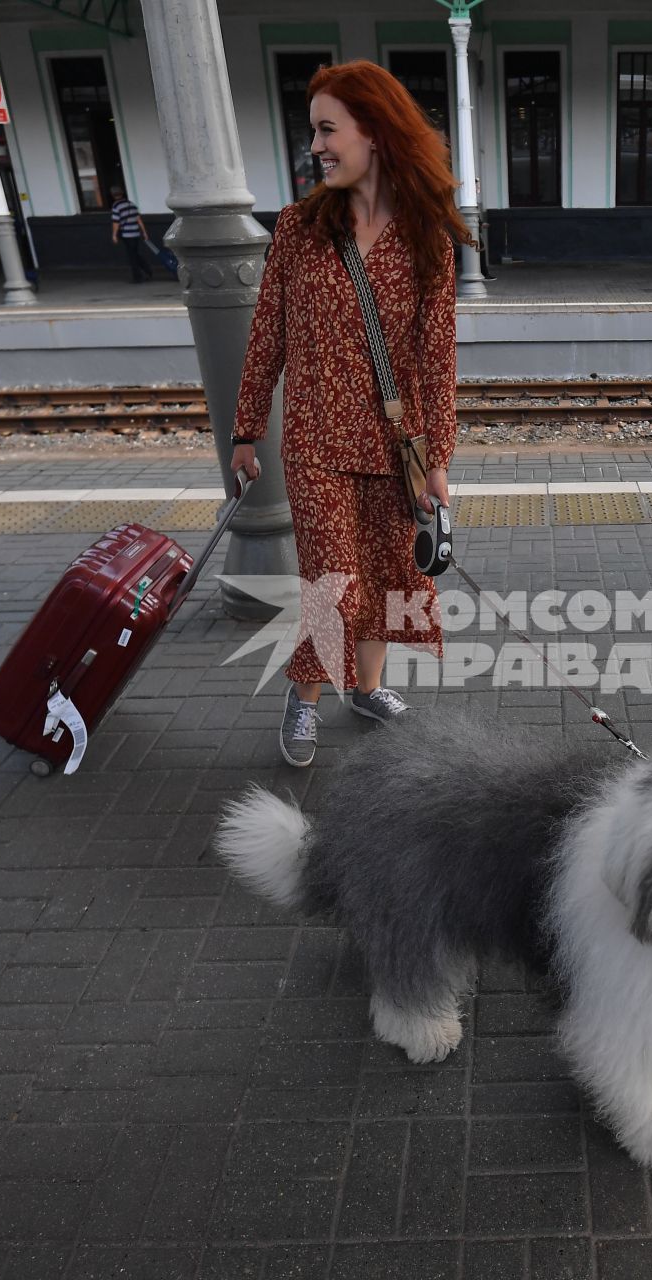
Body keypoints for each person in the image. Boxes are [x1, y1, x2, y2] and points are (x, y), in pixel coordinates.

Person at [230, 60, 466, 768]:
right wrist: (246, 430)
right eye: (314, 132)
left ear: (376, 132)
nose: (317, 146)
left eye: (328, 129)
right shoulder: (300, 229)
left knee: (392, 572)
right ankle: (304, 699)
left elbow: (437, 358)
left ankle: (366, 689)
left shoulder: (427, 238)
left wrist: (438, 459)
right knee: (334, 581)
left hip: (398, 445)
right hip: (316, 444)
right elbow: (266, 331)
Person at [108, 188, 152, 283]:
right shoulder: (131, 204)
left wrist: (114, 235)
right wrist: (144, 232)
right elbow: (139, 220)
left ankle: (138, 277)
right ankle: (148, 271)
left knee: (132, 256)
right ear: (122, 194)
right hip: (136, 233)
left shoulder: (116, 206)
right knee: (135, 254)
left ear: (113, 195)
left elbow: (116, 222)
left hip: (127, 234)